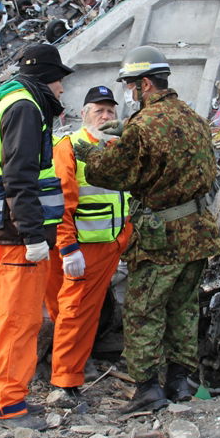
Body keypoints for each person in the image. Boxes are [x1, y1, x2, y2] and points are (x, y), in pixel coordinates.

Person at [73, 46, 220, 413]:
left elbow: (113, 173)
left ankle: (146, 391)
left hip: (162, 238)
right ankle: (179, 384)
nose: (127, 93)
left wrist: (86, 152)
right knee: (183, 309)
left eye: (129, 86)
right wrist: (127, 131)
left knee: (144, 312)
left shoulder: (143, 125)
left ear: (144, 83)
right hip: (198, 232)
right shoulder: (191, 116)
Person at [0, 43, 72, 428]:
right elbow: (20, 177)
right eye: (61, 80)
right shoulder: (27, 109)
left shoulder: (5, 104)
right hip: (17, 237)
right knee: (19, 320)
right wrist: (33, 235)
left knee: (0, 316)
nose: (62, 90)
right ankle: (8, 406)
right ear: (48, 78)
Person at [46, 86, 132, 408]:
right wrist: (69, 248)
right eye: (100, 110)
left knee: (76, 310)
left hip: (109, 245)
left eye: (111, 111)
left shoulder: (118, 148)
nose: (106, 116)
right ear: (84, 115)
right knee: (75, 310)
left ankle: (69, 362)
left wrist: (126, 238)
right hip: (83, 246)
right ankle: (64, 383)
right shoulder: (71, 146)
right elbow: (61, 202)